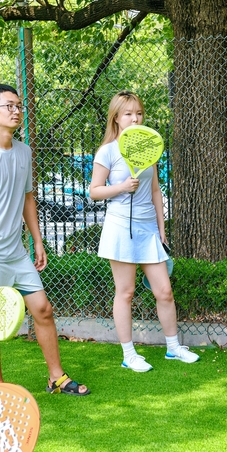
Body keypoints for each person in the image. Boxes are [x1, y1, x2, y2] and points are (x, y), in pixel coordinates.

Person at [0, 84, 90, 396]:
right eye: (9, 106)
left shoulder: (24, 152)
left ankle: (56, 378)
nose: (17, 111)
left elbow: (28, 199)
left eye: (19, 106)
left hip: (16, 254)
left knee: (43, 309)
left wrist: (38, 242)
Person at [89, 91, 199, 372]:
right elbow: (94, 192)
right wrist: (121, 188)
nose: (135, 118)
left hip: (149, 229)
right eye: (128, 113)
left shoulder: (148, 148)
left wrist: (161, 230)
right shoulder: (108, 151)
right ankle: (129, 355)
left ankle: (173, 348)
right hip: (120, 228)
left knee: (164, 292)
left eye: (138, 112)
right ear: (116, 117)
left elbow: (154, 191)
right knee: (125, 293)